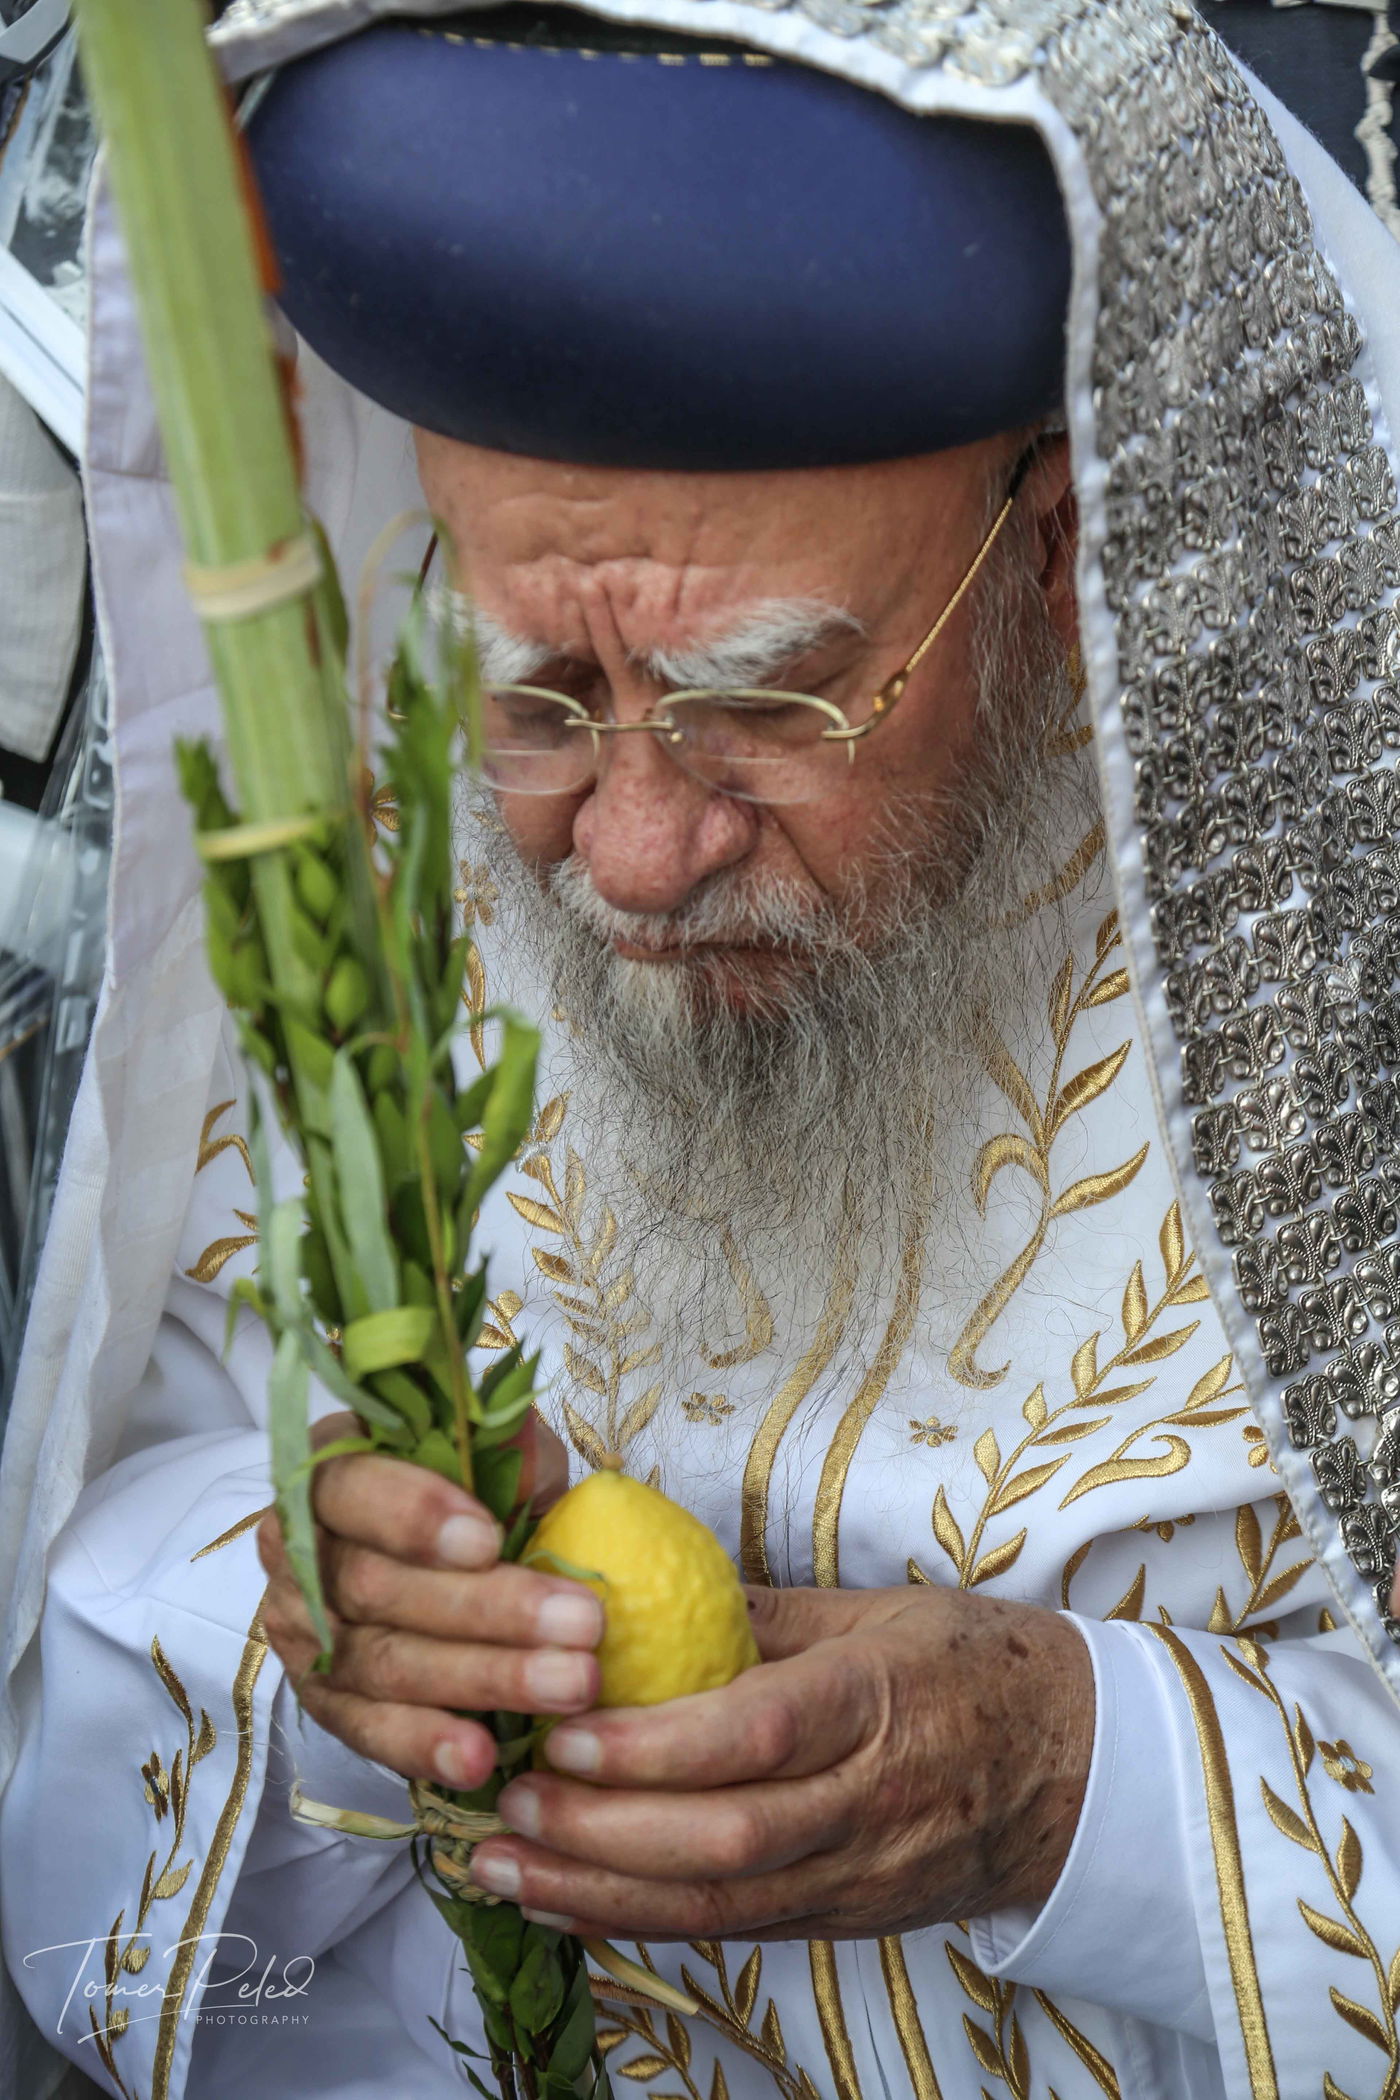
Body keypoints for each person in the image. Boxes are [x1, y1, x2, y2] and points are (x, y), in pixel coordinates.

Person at [5, 3, 1400, 2097]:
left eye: (778, 705)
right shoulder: (368, 852)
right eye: (544, 695)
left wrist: (1073, 1783)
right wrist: (311, 1626)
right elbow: (96, 1702)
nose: (637, 858)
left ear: (1062, 546)